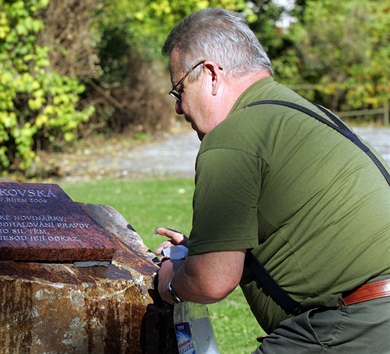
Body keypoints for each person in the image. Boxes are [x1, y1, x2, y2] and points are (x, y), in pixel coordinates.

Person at [155, 7, 390, 353]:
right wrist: (203, 251)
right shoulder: (303, 112)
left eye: (179, 91)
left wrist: (171, 280)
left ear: (210, 74)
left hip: (354, 324)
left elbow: (211, 282)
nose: (179, 109)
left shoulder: (232, 136)